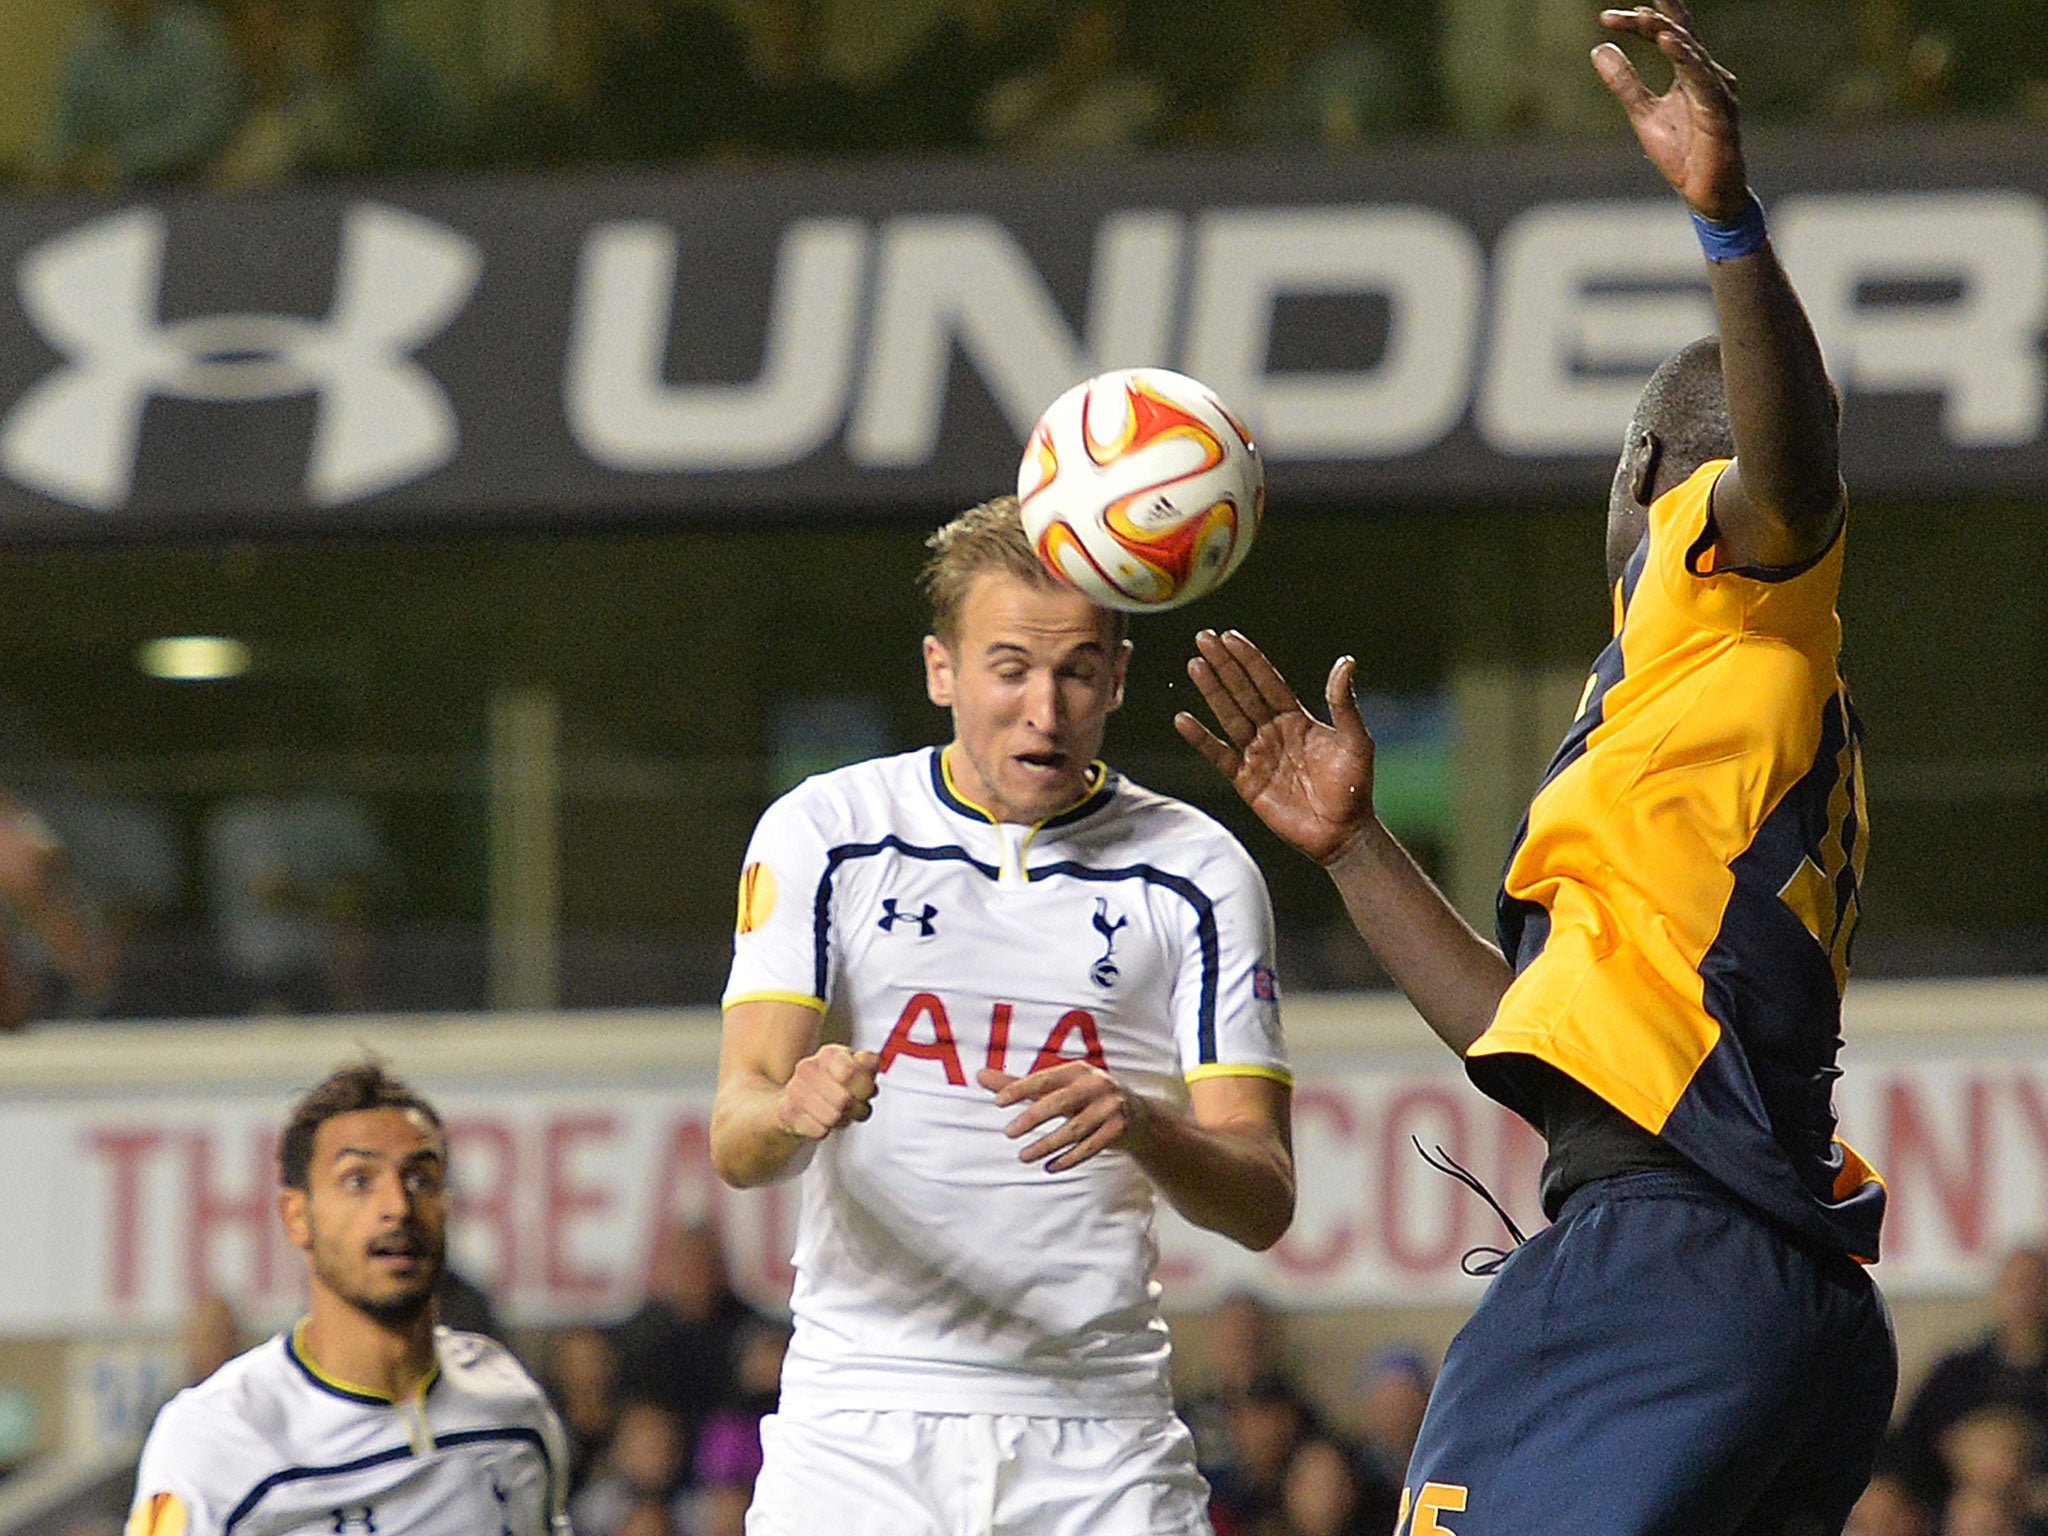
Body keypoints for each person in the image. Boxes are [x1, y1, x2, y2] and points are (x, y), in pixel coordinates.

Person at [1176, 4, 1895, 1530]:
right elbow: (1524, 1035)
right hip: (1760, 1280)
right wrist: (1357, 847)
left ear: (1649, 474)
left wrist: (1727, 226)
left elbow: (1800, 474)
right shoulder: (1692, 741)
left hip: (1673, 1255)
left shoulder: (1720, 590)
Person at [710, 494, 1295, 1535]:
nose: (1045, 708)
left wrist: (1146, 1123)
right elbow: (737, 1139)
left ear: (1115, 676)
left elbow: (1261, 1200)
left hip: (1100, 1436)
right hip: (859, 1429)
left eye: (1076, 670)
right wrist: (791, 1109)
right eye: (1010, 668)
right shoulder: (825, 834)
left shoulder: (1196, 871)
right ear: (942, 669)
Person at [127, 1061, 570, 1534]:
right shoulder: (213, 1438)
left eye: (420, 1179)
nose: (397, 1207)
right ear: (296, 1216)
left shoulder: (509, 1405)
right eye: (359, 1180)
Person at [1896, 1246, 2048, 1499]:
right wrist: (1956, 1447)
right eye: (2015, 1286)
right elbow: (1909, 1446)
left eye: (2036, 1286)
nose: (2025, 1298)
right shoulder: (1956, 1373)